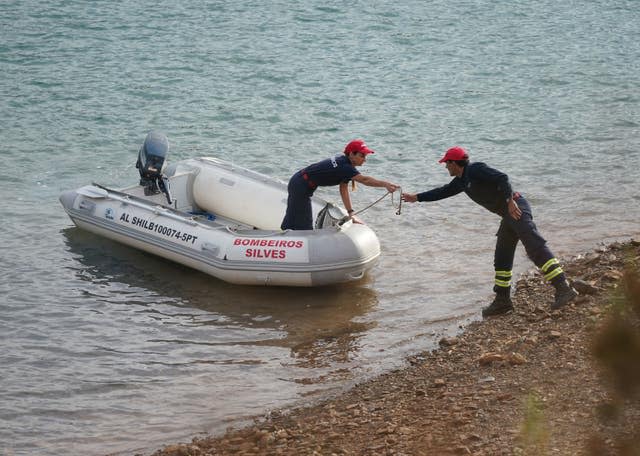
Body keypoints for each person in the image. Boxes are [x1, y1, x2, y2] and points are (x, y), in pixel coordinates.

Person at [401, 146, 578, 317]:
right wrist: (416, 198)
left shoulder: (475, 169)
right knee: (502, 256)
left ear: (454, 163)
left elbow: (502, 178)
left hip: (516, 208)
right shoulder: (461, 181)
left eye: (446, 163)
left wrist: (509, 201)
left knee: (534, 246)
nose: (445, 167)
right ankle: (502, 301)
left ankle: (564, 288)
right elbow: (442, 192)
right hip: (507, 216)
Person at [281, 139, 399, 230]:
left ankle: (286, 235)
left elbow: (343, 189)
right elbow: (365, 180)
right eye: (362, 155)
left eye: (365, 156)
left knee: (296, 216)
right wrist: (386, 184)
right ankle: (288, 242)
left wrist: (350, 213)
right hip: (300, 185)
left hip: (301, 183)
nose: (364, 159)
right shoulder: (345, 167)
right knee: (303, 222)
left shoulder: (344, 163)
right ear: (351, 154)